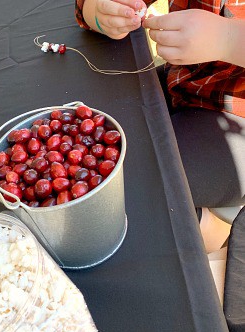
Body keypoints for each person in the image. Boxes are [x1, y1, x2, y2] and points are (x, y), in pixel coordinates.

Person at [75, 0, 245, 253]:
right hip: (186, 84)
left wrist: (229, 39)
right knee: (95, 135)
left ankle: (212, 237)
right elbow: (92, 8)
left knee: (135, 182)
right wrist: (99, 11)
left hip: (236, 119)